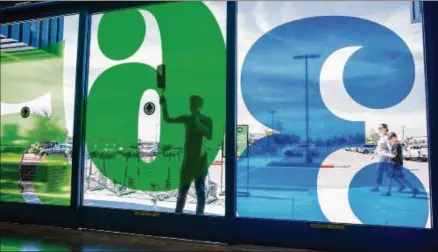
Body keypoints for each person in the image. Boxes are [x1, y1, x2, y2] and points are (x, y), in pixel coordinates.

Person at [160, 94, 212, 215]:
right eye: (191, 105)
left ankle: (199, 218)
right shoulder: (187, 119)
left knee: (200, 192)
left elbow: (209, 135)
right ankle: (178, 214)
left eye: (194, 105)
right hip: (187, 162)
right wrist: (164, 105)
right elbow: (168, 119)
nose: (191, 108)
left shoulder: (207, 120)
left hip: (200, 162)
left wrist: (197, 122)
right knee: (182, 191)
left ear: (200, 106)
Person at [381, 132, 419, 197]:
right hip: (397, 164)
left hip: (395, 165)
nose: (389, 140)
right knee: (400, 178)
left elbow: (393, 155)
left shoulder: (395, 144)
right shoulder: (397, 144)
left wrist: (384, 153)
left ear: (394, 137)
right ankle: (413, 189)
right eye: (389, 139)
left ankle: (389, 192)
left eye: (390, 138)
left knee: (392, 178)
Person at [370, 123, 400, 192]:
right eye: (378, 128)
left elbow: (391, 149)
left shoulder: (387, 137)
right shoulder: (381, 137)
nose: (379, 129)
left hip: (384, 158)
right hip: (381, 157)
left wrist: (390, 156)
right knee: (388, 174)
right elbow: (378, 147)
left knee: (380, 172)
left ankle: (378, 187)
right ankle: (401, 185)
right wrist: (374, 154)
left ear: (385, 129)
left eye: (381, 128)